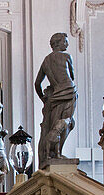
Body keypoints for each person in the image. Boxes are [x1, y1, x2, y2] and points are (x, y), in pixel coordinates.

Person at [33, 33, 77, 165]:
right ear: (58, 43)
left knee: (54, 125)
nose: (67, 44)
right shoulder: (66, 56)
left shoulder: (46, 60)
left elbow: (37, 83)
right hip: (69, 91)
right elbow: (72, 76)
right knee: (67, 123)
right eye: (65, 41)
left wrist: (43, 98)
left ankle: (52, 154)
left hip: (55, 95)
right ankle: (57, 153)